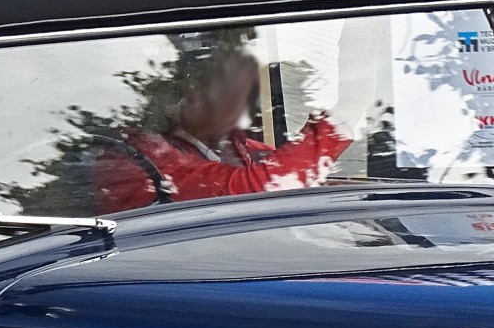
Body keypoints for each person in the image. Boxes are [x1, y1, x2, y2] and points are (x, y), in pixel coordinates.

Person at [95, 39, 349, 213]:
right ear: (177, 96)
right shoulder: (135, 157)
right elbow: (259, 192)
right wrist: (341, 120)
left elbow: (300, 180)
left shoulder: (239, 146)